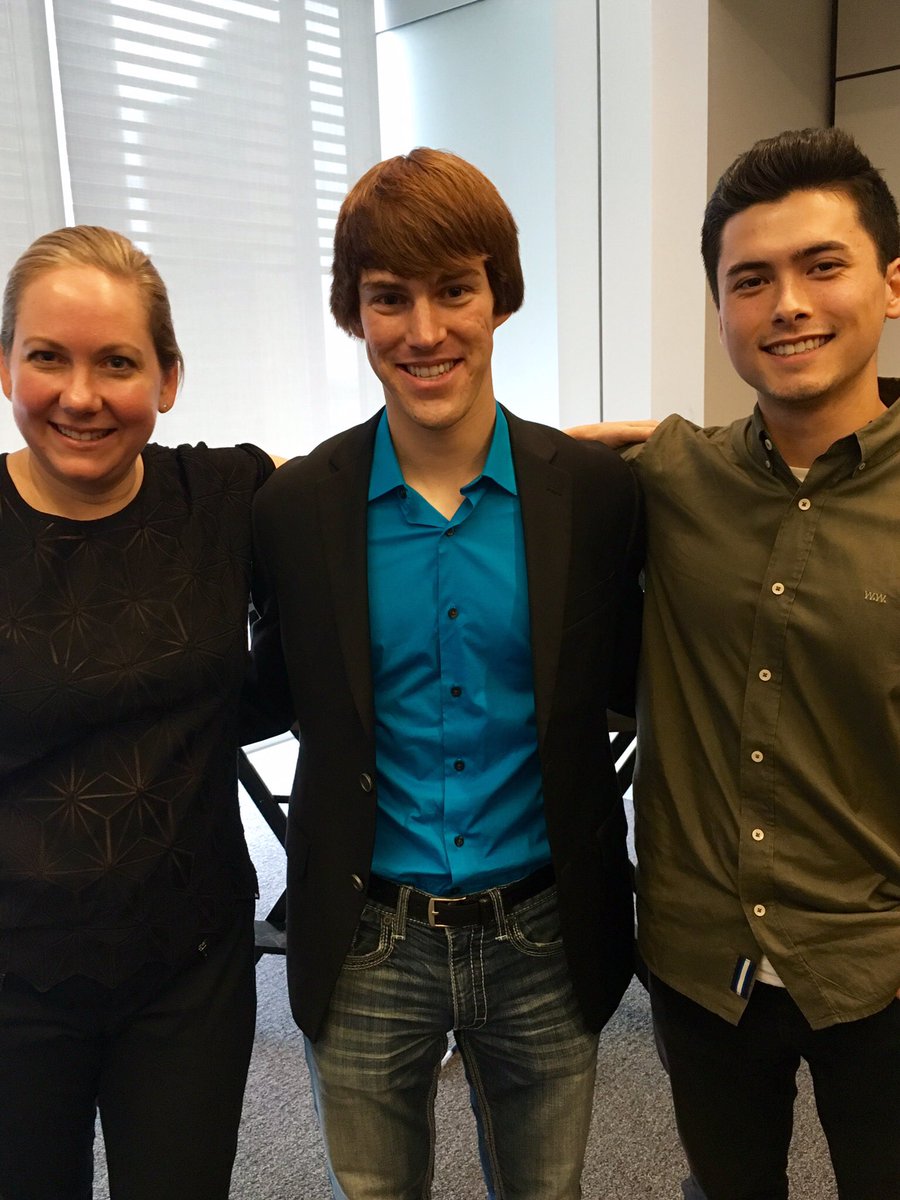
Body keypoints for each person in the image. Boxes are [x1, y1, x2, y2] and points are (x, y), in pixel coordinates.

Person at [245, 148, 644, 1199]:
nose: (424, 332)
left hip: (545, 930)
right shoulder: (297, 509)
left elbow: (643, 678)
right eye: (389, 298)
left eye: (454, 290)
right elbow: (262, 689)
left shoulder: (595, 494)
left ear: (499, 296)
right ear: (356, 312)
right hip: (366, 930)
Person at [572, 126, 900, 1200]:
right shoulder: (670, 475)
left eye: (823, 266)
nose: (787, 305)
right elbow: (486, 467)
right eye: (750, 280)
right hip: (699, 956)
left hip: (880, 964)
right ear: (719, 309)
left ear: (892, 285)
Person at [0, 225, 278, 1200]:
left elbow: (383, 482)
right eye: (48, 357)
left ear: (169, 378)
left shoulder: (223, 496)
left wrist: (576, 460)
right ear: (6, 366)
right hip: (13, 979)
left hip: (188, 969)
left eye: (117, 362)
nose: (80, 396)